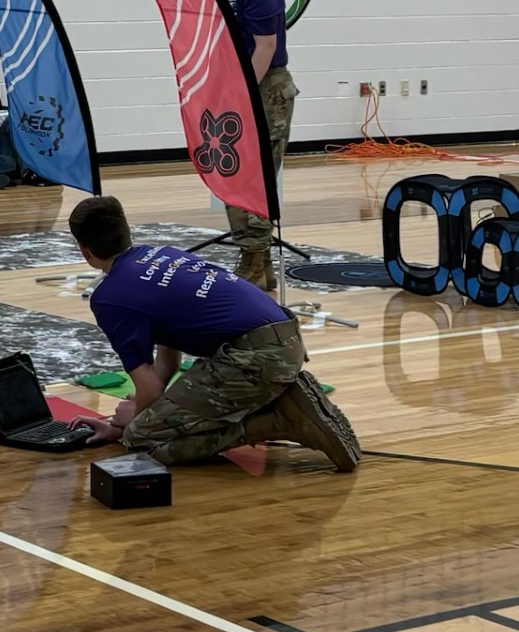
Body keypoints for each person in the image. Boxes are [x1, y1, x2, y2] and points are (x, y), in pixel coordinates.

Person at [64, 195, 359, 469]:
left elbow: (151, 389)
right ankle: (277, 395)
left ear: (85, 251)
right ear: (127, 231)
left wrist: (129, 424)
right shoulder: (159, 253)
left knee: (141, 439)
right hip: (282, 341)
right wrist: (142, 411)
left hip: (255, 358)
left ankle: (280, 419)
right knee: (143, 423)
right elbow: (169, 360)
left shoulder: (110, 297)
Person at [201, 0, 298, 291]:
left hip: (265, 88)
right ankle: (257, 264)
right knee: (234, 172)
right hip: (239, 85)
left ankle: (256, 261)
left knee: (256, 177)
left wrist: (243, 95)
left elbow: (265, 47)